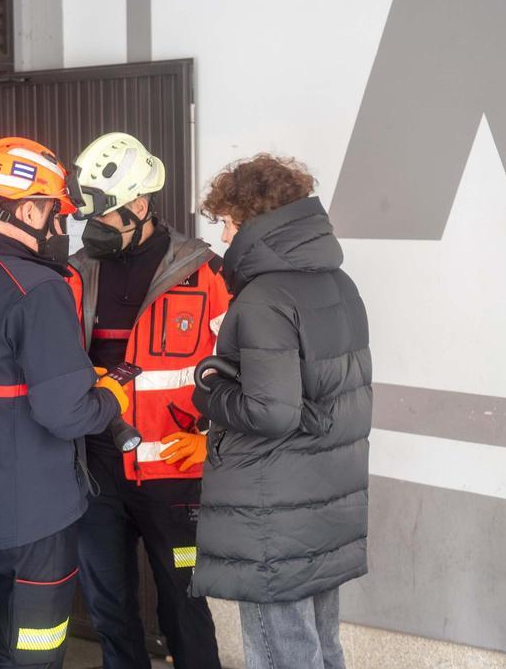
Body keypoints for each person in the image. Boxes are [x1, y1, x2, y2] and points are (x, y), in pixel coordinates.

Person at [0, 136, 131, 669]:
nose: (61, 229)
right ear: (30, 209)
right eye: (57, 215)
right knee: (34, 657)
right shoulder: (37, 288)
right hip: (36, 519)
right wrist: (110, 391)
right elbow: (68, 414)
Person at [191, 154, 373, 669]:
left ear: (254, 222)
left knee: (282, 653)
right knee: (320, 644)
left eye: (227, 223)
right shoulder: (340, 284)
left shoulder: (265, 298)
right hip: (324, 499)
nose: (224, 239)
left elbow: (270, 412)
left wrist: (208, 390)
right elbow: (334, 400)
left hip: (273, 509)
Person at [65, 132, 228, 669]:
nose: (94, 229)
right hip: (95, 474)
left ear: (139, 205)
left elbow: (245, 370)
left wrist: (212, 439)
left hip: (173, 476)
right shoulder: (74, 272)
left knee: (185, 606)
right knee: (109, 610)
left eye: (106, 216)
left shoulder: (206, 274)